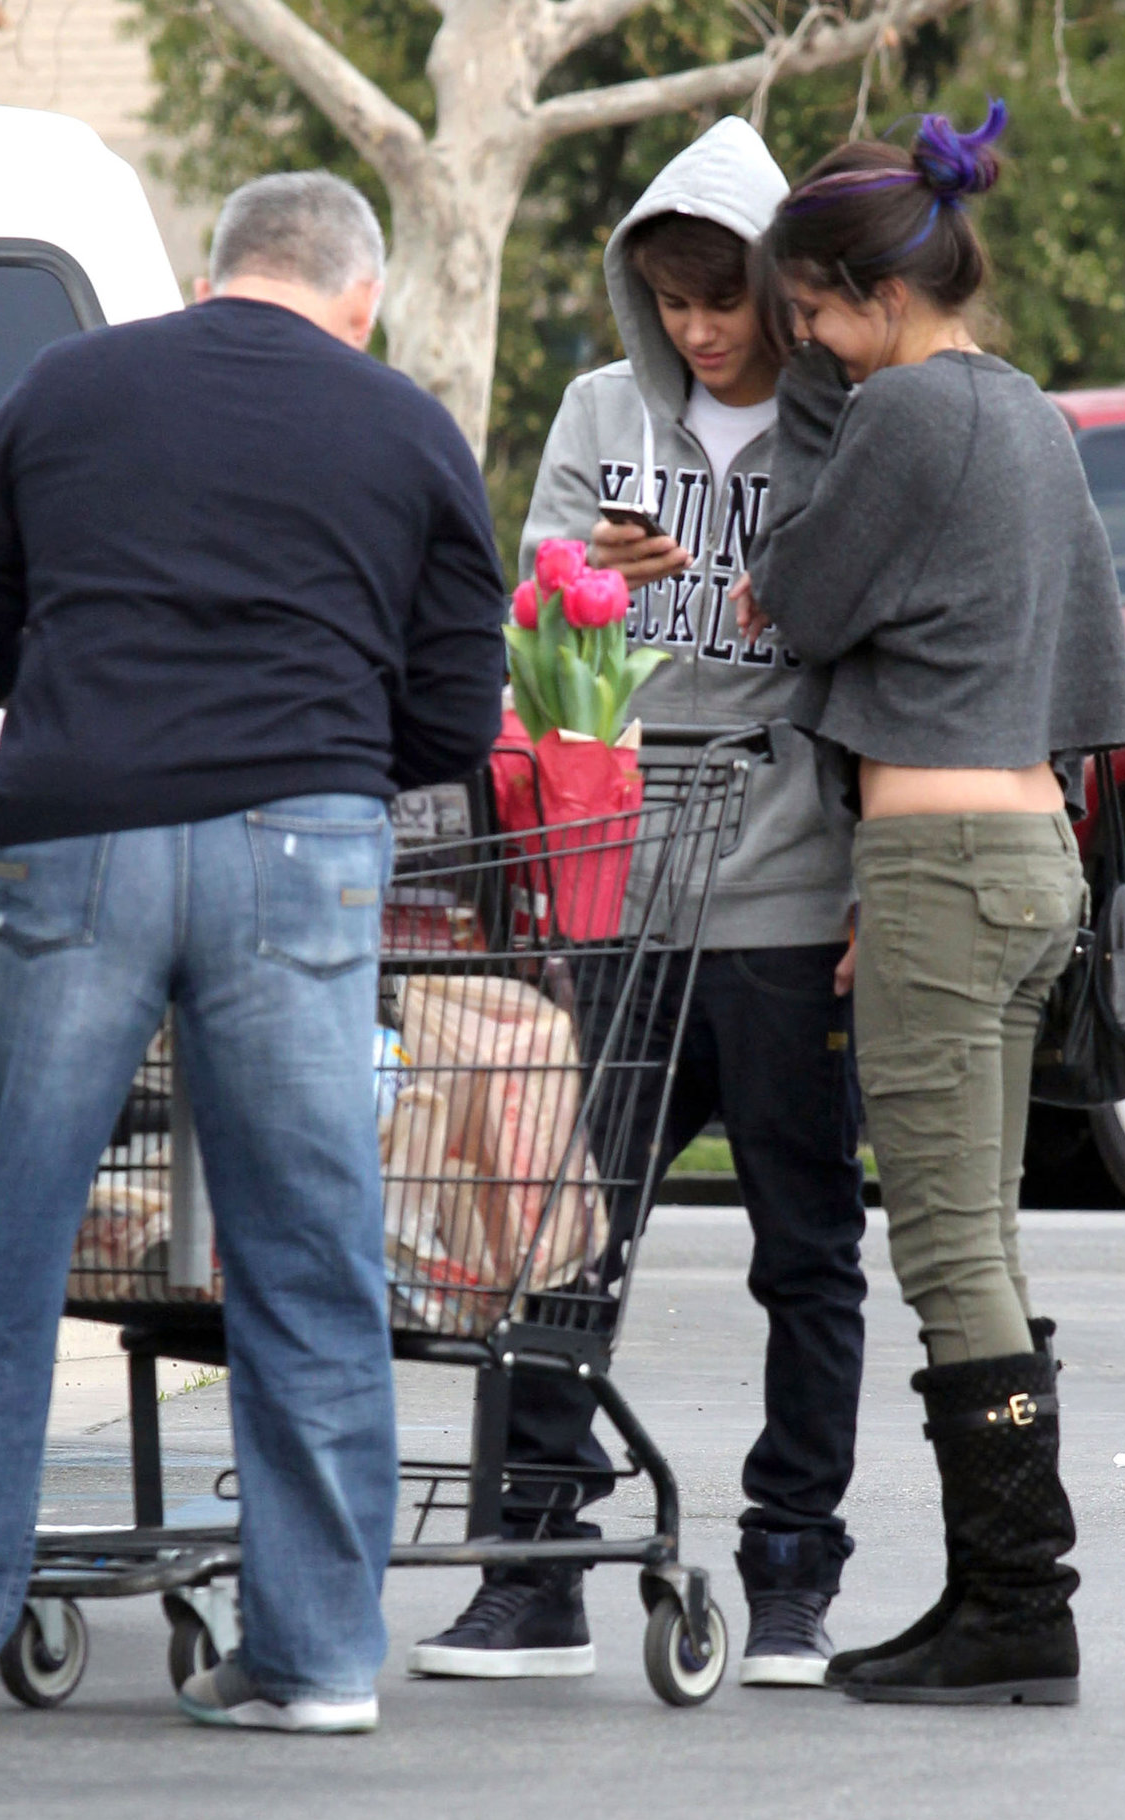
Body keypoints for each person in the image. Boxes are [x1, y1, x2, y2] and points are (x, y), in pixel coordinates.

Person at [0, 172, 506, 1733]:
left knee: (7, 1235)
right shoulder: (406, 427)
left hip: (75, 829)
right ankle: (316, 1658)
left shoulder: (69, 384)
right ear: (357, 295)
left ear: (221, 270)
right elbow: (456, 714)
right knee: (309, 1254)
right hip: (304, 849)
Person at [409, 117, 867, 1691]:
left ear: (779, 290)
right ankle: (535, 1571)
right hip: (616, 883)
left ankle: (795, 1579)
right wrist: (576, 577)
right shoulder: (605, 409)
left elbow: (869, 641)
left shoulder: (842, 424)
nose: (697, 328)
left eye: (721, 296)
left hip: (791, 876)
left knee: (805, 1245)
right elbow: (521, 614)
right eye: (671, 300)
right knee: (552, 1227)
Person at [736, 104, 1125, 1705]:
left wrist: (820, 412)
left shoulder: (904, 416)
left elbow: (800, 599)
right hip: (1021, 854)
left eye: (814, 316)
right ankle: (1004, 1593)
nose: (806, 347)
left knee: (947, 1245)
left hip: (945, 865)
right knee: (978, 1234)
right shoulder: (1032, 412)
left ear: (876, 297)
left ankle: (1019, 1605)